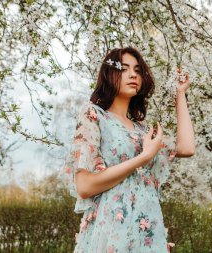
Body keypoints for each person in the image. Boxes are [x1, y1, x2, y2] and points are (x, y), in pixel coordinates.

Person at [63, 47, 195, 253]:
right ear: (109, 74)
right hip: (111, 233)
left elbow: (187, 147)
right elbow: (85, 186)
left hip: (147, 232)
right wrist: (143, 157)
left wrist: (180, 93)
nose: (133, 74)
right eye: (124, 69)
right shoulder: (94, 116)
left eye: (137, 70)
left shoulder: (143, 132)